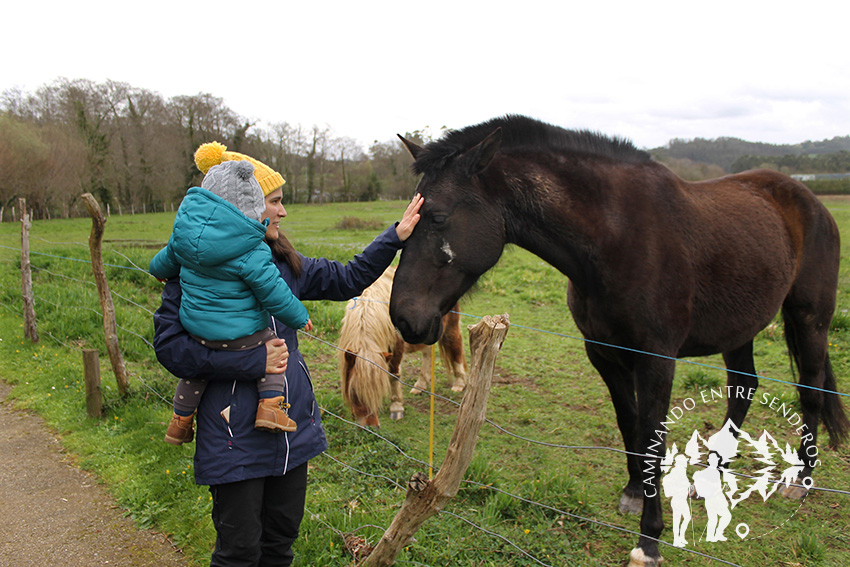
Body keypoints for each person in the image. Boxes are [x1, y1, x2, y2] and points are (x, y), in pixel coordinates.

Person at [152, 142, 423, 567]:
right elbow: (171, 349)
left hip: (290, 433)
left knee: (279, 546)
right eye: (275, 202)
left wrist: (395, 237)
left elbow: (348, 277)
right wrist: (252, 363)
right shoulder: (190, 275)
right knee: (238, 553)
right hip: (232, 438)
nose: (282, 212)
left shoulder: (285, 266)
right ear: (246, 208)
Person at [151, 145, 313, 445]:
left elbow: (162, 262)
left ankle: (180, 421)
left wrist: (158, 271)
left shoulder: (183, 238)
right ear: (251, 204)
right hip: (241, 337)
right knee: (275, 348)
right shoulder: (251, 248)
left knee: (193, 375)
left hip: (197, 332)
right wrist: (299, 316)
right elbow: (273, 292)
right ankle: (270, 407)